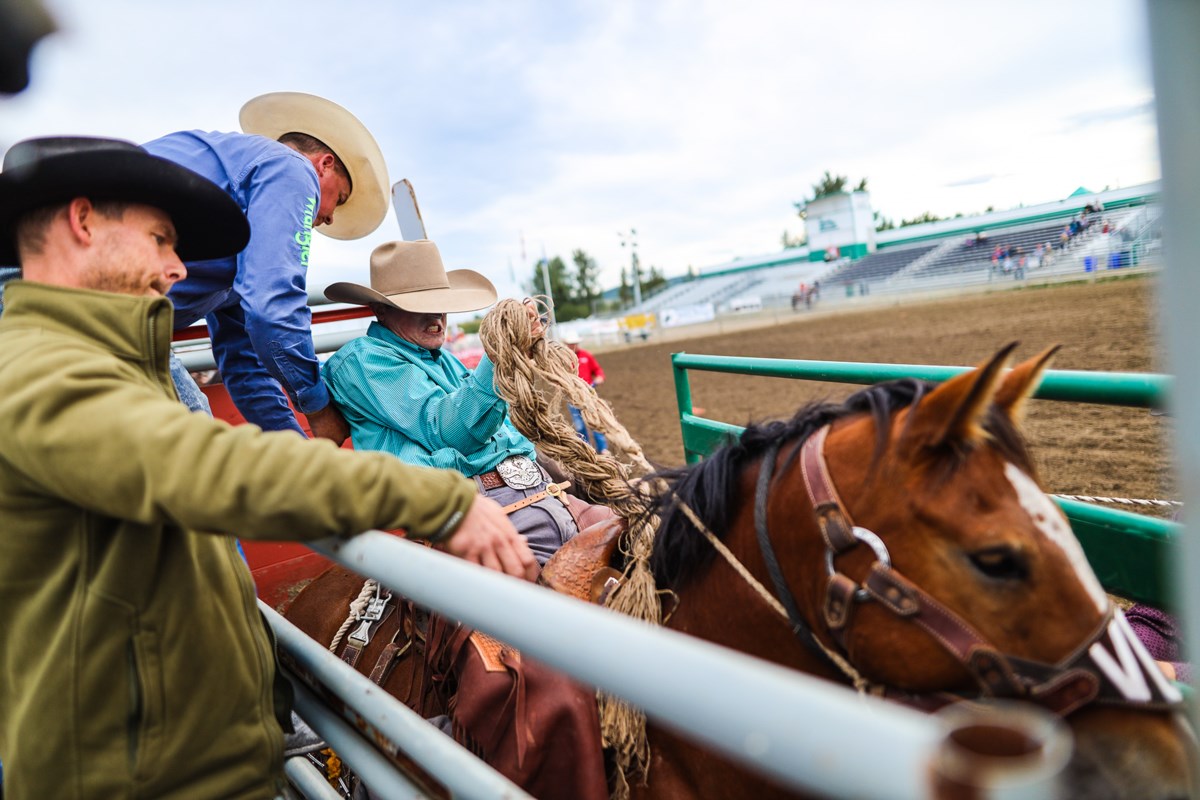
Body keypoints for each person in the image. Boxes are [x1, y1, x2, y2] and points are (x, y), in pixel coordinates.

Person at [0, 136, 536, 800]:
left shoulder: (99, 370)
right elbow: (212, 457)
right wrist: (434, 500)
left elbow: (244, 365)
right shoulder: (44, 377)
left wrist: (306, 455)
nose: (176, 269)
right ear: (83, 223)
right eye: (162, 239)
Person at [141, 92, 390, 443]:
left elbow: (246, 366)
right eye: (341, 197)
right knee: (195, 442)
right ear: (324, 164)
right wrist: (318, 408)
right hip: (105, 309)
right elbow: (273, 308)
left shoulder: (233, 237)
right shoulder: (291, 168)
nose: (331, 216)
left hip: (105, 309)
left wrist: (301, 454)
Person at [322, 240, 587, 566]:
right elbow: (448, 430)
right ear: (381, 310)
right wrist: (498, 356)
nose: (437, 317)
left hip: (530, 490)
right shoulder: (364, 362)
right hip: (476, 505)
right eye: (420, 306)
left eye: (440, 304)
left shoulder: (443, 359)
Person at [562, 330, 610, 455]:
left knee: (595, 422)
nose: (574, 346)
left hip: (588, 395)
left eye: (575, 343)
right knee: (580, 426)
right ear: (566, 344)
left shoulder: (586, 356)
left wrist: (599, 378)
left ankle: (603, 448)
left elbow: (597, 370)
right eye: (571, 344)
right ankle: (587, 449)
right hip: (572, 397)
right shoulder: (563, 359)